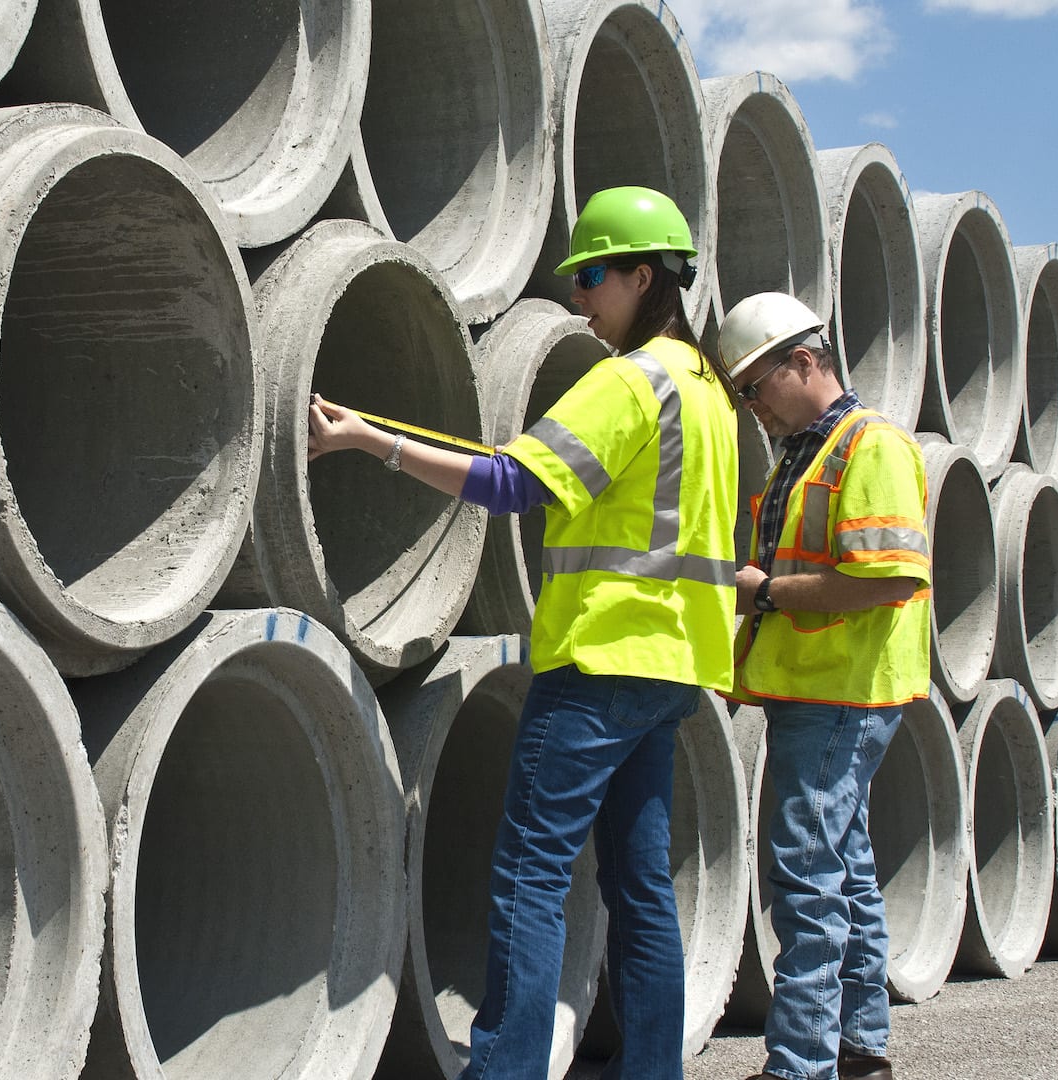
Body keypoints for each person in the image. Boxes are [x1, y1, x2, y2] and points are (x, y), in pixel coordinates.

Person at [308, 186, 739, 1080]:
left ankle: (502, 1071)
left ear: (643, 274)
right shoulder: (711, 394)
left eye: (591, 277)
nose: (579, 298)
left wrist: (368, 441)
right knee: (640, 890)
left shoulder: (632, 381)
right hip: (674, 668)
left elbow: (511, 483)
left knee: (529, 878)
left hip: (599, 661)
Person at [718, 292, 933, 1080]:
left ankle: (799, 1064)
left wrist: (762, 591)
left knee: (805, 874)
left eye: (755, 386)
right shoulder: (807, 449)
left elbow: (880, 582)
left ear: (803, 361)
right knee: (845, 866)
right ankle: (860, 1050)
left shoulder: (868, 446)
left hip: (843, 690)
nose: (752, 406)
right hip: (824, 687)